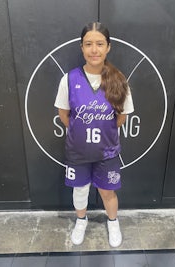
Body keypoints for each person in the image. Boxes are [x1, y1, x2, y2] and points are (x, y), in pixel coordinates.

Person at [54, 22, 134, 247]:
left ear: (108, 47)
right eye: (88, 44)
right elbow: (64, 115)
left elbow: (122, 117)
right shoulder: (69, 79)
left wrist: (102, 130)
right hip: (78, 151)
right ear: (81, 47)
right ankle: (81, 220)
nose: (94, 49)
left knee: (108, 191)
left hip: (106, 152)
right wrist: (83, 132)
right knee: (80, 190)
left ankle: (113, 222)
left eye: (99, 44)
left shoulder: (119, 80)